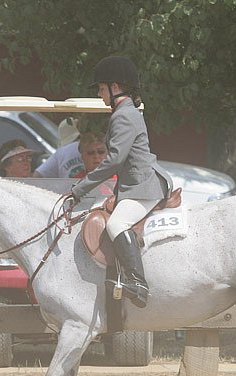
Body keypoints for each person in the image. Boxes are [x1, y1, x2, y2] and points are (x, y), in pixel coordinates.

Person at [68, 55, 173, 308]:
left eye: (102, 89)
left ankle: (138, 283)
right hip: (135, 184)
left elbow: (114, 160)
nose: (100, 95)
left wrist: (80, 189)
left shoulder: (122, 116)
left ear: (115, 87)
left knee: (116, 224)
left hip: (143, 185)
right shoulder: (126, 112)